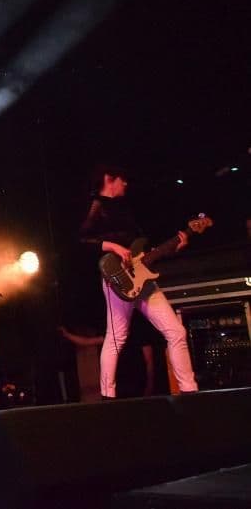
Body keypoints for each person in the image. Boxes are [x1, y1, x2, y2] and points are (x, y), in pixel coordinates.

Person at [78, 165, 198, 399]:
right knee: (116, 337)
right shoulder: (98, 205)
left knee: (176, 331)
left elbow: (143, 247)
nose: (125, 184)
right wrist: (113, 247)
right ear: (109, 179)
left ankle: (189, 390)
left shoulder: (125, 209)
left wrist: (174, 246)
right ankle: (107, 396)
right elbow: (82, 240)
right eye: (122, 179)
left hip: (143, 276)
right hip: (118, 278)